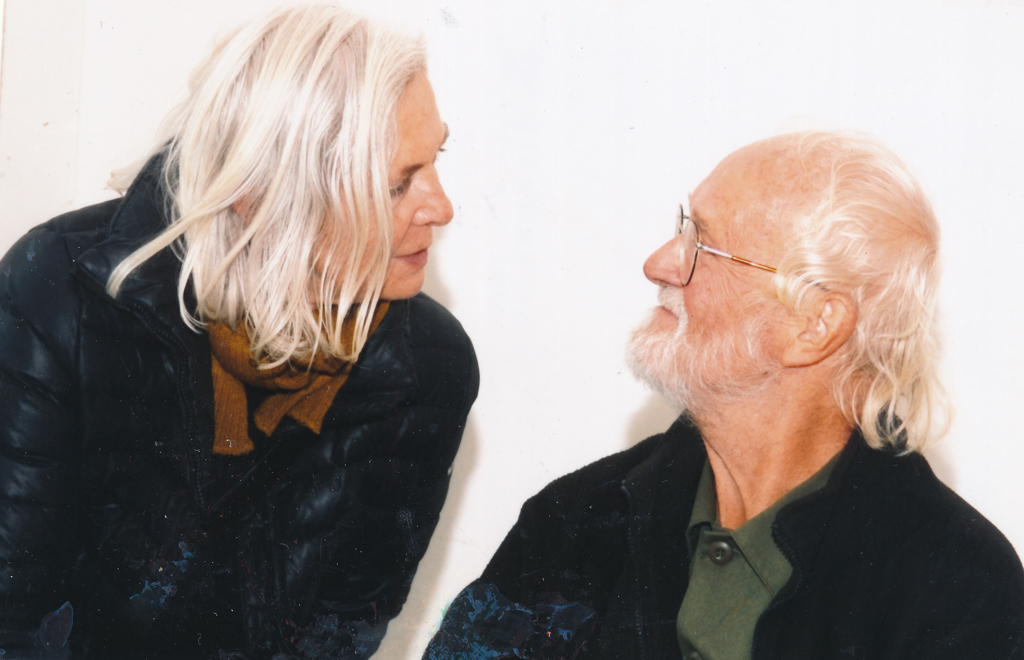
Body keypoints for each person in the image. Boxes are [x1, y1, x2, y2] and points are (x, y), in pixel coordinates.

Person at [424, 131, 1024, 659]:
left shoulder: (958, 588)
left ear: (814, 324)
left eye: (702, 246)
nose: (658, 264)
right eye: (680, 228)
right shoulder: (577, 520)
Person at [0, 5, 478, 659]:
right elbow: (11, 617)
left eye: (435, 158)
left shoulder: (428, 364)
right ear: (265, 195)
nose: (442, 208)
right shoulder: (60, 291)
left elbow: (337, 636)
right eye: (397, 185)